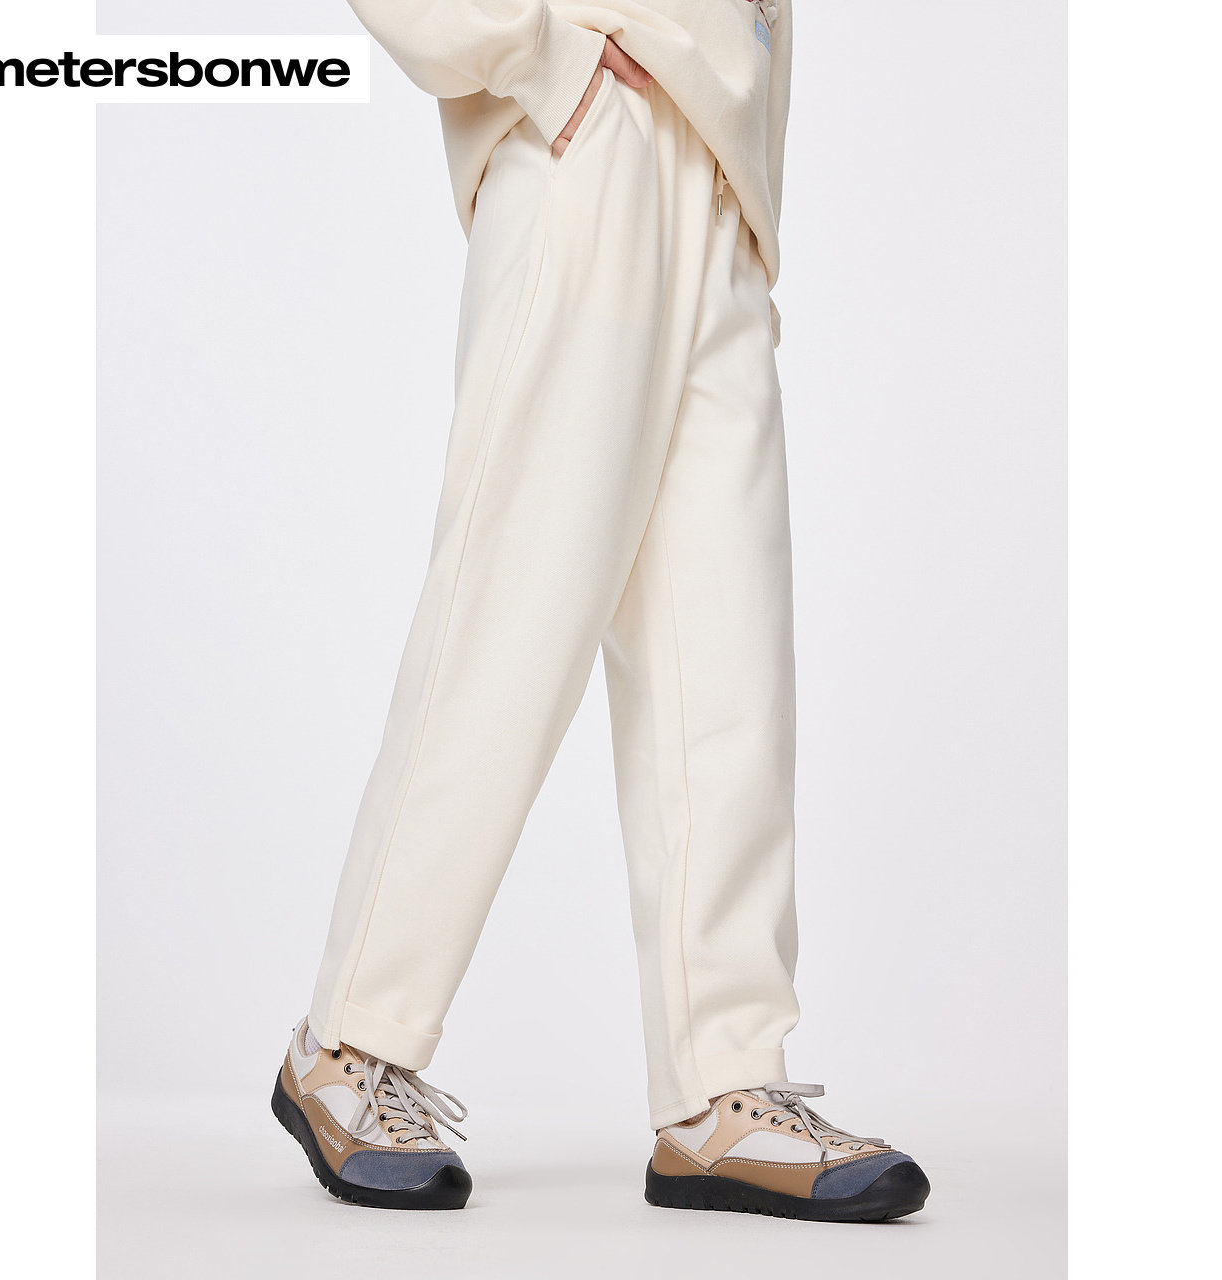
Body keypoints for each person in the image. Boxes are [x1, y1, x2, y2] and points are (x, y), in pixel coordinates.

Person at [271, 0, 929, 1220]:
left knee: (725, 665)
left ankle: (720, 1084)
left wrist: (751, 194)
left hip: (716, 182)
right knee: (508, 625)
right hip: (587, 150)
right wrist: (538, 55)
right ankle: (349, 1040)